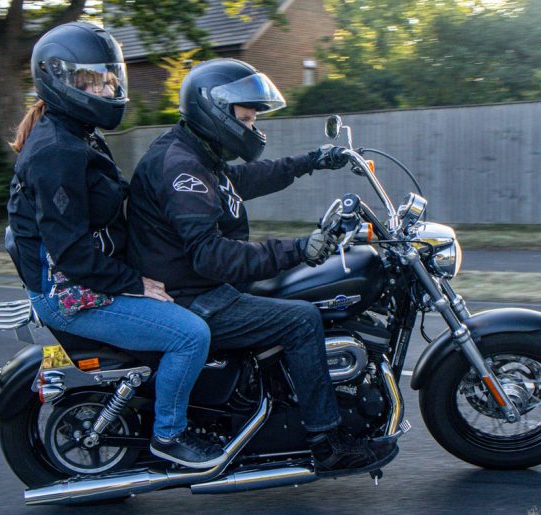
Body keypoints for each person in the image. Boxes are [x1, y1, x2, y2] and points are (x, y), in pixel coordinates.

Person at [126, 58, 397, 477]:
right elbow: (211, 256)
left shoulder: (197, 153)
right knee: (302, 320)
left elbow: (247, 179)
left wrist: (314, 160)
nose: (253, 128)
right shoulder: (183, 167)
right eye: (247, 119)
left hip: (202, 285)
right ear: (215, 111)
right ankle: (327, 442)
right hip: (193, 296)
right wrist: (299, 249)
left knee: (292, 291)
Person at [6, 22, 222, 469]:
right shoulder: (56, 152)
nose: (109, 90)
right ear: (62, 81)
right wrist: (134, 283)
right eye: (96, 82)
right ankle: (169, 435)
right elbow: (71, 255)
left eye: (110, 79)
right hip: (72, 293)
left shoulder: (77, 133)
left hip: (92, 278)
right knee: (190, 335)